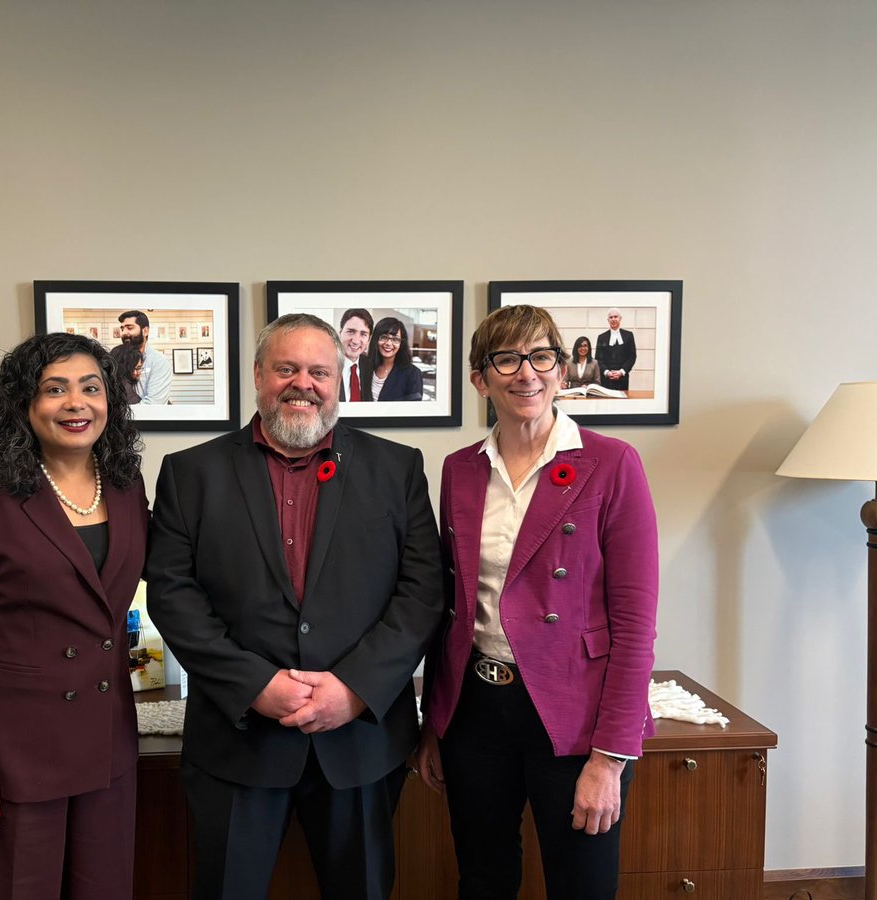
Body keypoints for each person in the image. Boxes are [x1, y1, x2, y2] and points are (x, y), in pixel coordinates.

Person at [146, 313, 443, 900]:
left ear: (340, 379)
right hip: (237, 744)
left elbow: (422, 591)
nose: (302, 383)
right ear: (259, 375)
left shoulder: (397, 468)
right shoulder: (190, 473)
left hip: (360, 744)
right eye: (286, 368)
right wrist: (256, 684)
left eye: (319, 371)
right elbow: (173, 595)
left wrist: (354, 689)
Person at [416, 304, 658, 899]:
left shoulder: (611, 463)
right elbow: (450, 604)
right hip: (476, 709)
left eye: (541, 356)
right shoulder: (460, 470)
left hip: (573, 714)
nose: (527, 373)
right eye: (507, 359)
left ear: (560, 369)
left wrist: (610, 759)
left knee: (582, 884)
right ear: (481, 378)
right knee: (483, 878)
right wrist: (433, 724)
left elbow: (634, 622)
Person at [0, 333, 148, 900]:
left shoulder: (125, 487)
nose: (76, 403)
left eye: (90, 388)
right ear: (23, 404)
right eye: (55, 389)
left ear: (109, 401)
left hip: (108, 748)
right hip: (15, 761)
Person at [361, 316, 423, 401]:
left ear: (401, 343)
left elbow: (414, 411)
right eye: (384, 337)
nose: (388, 343)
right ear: (376, 339)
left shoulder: (412, 374)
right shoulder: (366, 367)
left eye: (395, 339)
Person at [118, 310, 172, 403]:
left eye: (129, 328)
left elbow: (153, 404)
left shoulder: (158, 361)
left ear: (145, 331)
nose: (124, 333)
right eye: (122, 329)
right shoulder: (118, 357)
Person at [595, 307, 637, 391]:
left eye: (615, 316)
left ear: (620, 318)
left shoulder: (628, 335)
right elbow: (598, 359)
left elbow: (632, 356)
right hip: (606, 379)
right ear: (608, 320)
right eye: (611, 317)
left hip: (623, 378)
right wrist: (607, 372)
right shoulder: (601, 337)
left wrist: (622, 372)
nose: (613, 319)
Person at [337, 307, 374, 402]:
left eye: (363, 334)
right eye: (350, 332)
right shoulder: (325, 364)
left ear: (369, 340)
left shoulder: (371, 366)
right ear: (340, 333)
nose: (356, 341)